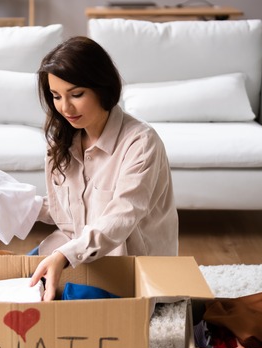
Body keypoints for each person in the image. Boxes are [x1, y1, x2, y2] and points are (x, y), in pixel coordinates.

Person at [29, 36, 179, 301]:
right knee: (21, 280)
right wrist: (14, 203)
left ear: (103, 88)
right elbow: (66, 212)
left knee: (62, 301)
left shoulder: (141, 143)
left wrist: (65, 255)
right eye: (56, 96)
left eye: (76, 95)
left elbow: (121, 218)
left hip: (127, 266)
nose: (65, 108)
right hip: (80, 250)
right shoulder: (62, 140)